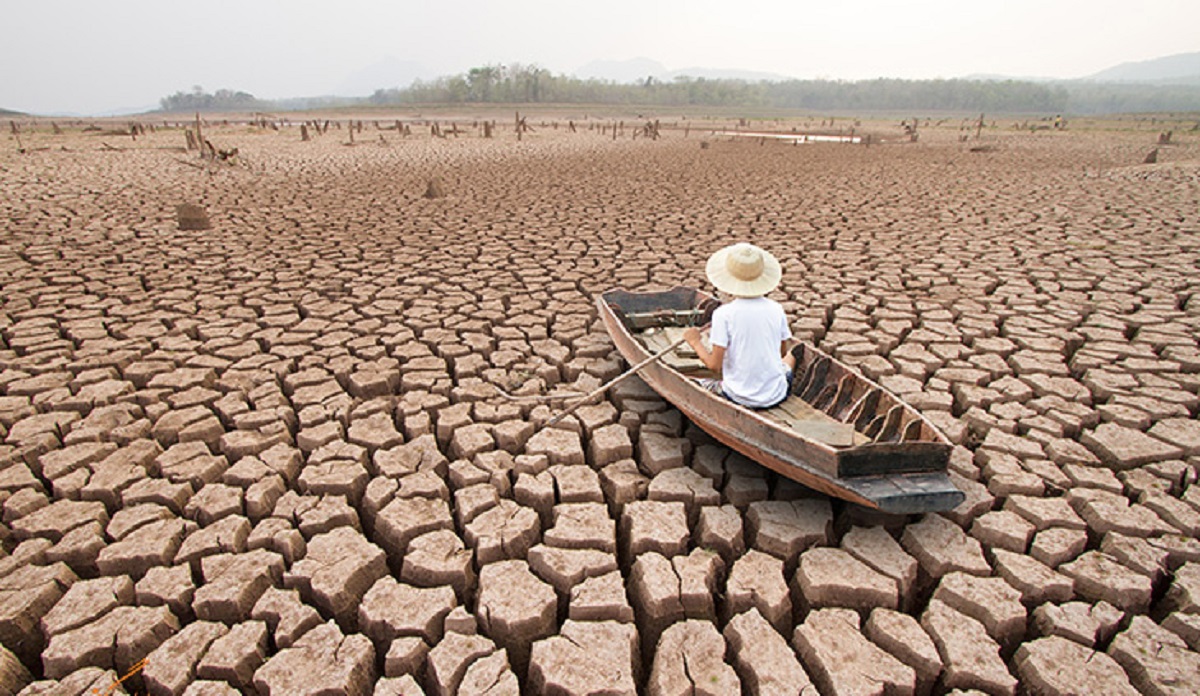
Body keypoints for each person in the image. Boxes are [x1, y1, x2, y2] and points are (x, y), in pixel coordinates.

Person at [683, 242, 795, 409]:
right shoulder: (776, 308)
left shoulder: (724, 314)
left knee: (701, 381)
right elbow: (782, 353)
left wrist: (695, 342)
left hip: (738, 396)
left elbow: (714, 366)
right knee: (791, 357)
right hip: (777, 394)